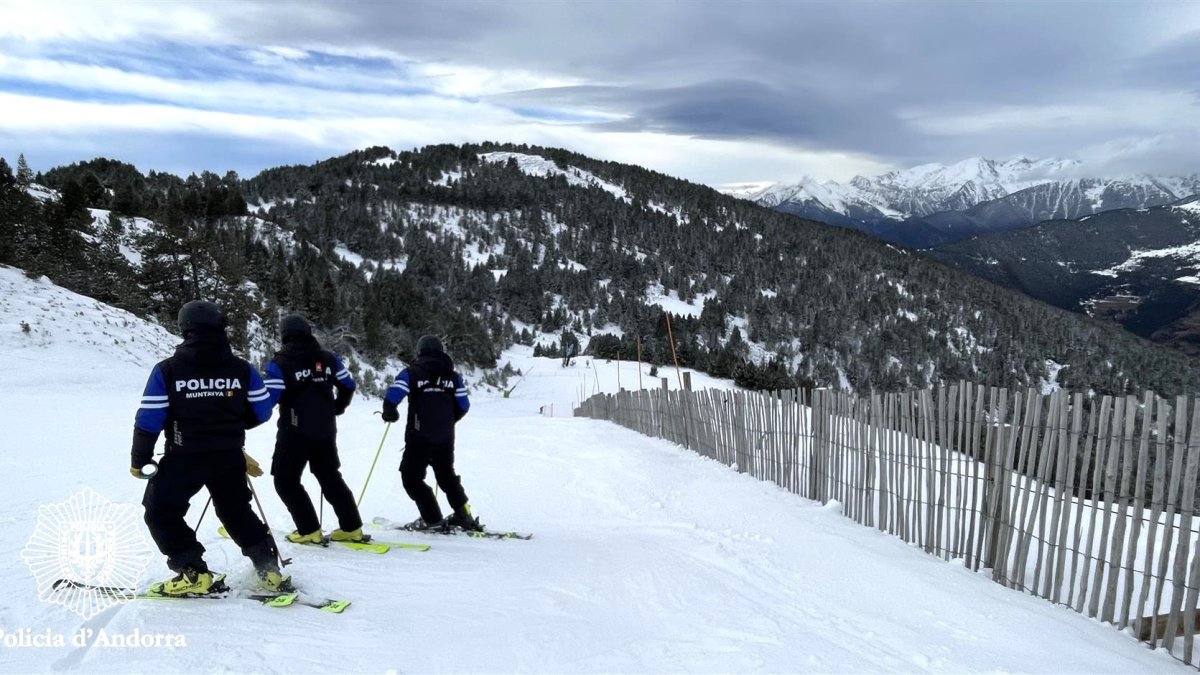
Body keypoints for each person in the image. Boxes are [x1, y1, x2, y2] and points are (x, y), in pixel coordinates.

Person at [131, 300, 290, 595]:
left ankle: (193, 574)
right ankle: (270, 571)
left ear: (184, 329)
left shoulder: (167, 370)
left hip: (183, 457)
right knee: (236, 511)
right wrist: (229, 431)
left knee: (160, 511)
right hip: (228, 456)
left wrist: (140, 458)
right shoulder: (242, 369)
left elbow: (150, 418)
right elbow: (263, 411)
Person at [263, 314, 362, 544]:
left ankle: (308, 529)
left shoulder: (280, 363)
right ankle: (352, 527)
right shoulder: (329, 359)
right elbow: (348, 384)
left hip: (295, 431)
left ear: (284, 335)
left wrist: (245, 415)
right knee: (329, 476)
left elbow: (269, 398)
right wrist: (339, 407)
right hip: (326, 429)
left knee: (285, 480)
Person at [381, 335, 478, 531]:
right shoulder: (454, 377)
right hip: (445, 437)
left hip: (419, 436)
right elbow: (464, 405)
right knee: (447, 477)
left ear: (420, 351)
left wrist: (390, 412)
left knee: (411, 477)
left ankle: (432, 519)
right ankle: (464, 515)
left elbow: (393, 395)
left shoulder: (412, 373)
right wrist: (450, 420)